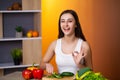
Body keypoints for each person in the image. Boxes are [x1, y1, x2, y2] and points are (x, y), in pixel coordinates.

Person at [40, 9, 93, 74]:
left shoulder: (84, 45)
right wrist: (46, 65)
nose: (66, 24)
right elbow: (41, 64)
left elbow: (91, 72)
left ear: (76, 24)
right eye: (62, 21)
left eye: (70, 21)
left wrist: (79, 64)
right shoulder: (55, 44)